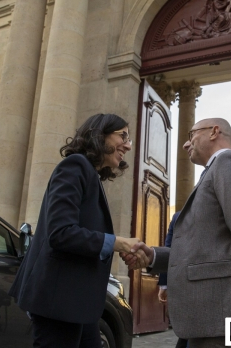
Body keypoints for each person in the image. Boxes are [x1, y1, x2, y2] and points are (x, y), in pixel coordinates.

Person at [124, 118, 231, 348]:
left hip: (218, 309)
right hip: (205, 312)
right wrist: (153, 256)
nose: (185, 144)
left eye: (192, 134)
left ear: (214, 132)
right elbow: (200, 249)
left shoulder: (229, 162)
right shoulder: (212, 173)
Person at [8, 113, 144, 348]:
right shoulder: (75, 166)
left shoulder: (90, 174)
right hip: (58, 301)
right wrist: (118, 243)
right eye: (123, 136)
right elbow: (61, 233)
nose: (129, 145)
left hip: (77, 302)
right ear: (99, 135)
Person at [158, 211, 188, 348]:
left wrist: (164, 285)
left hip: (183, 284)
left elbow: (169, 250)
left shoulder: (178, 216)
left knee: (187, 334)